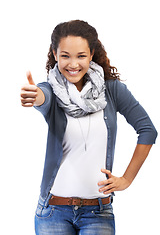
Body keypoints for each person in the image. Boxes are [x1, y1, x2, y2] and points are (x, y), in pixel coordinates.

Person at [20, 20, 157, 235]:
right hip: (52, 212)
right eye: (65, 56)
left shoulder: (112, 90)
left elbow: (147, 129)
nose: (73, 64)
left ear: (91, 54)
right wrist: (35, 96)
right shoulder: (51, 91)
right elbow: (42, 97)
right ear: (55, 54)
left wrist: (127, 179)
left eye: (81, 56)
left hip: (98, 212)